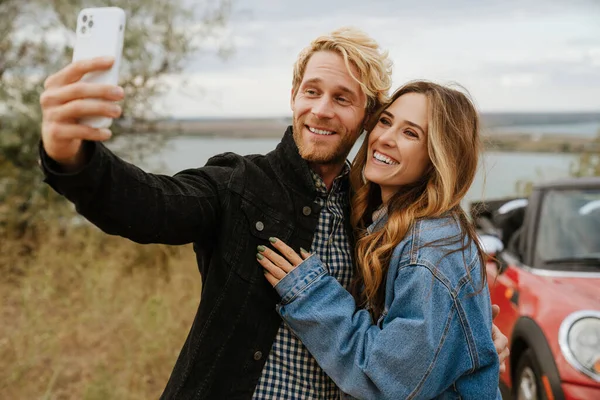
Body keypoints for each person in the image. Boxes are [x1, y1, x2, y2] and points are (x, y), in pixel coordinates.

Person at [38, 27, 508, 399]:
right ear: (294, 96)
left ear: (364, 114)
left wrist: (472, 344)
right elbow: (150, 204)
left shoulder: (372, 214)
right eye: (312, 91)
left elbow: (408, 337)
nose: (321, 110)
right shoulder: (240, 184)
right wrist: (73, 158)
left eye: (342, 98)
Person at [257, 81, 502, 399]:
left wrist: (311, 295)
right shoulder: (389, 224)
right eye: (386, 121)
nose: (385, 138)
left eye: (410, 133)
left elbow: (388, 381)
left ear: (438, 157)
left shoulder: (429, 251)